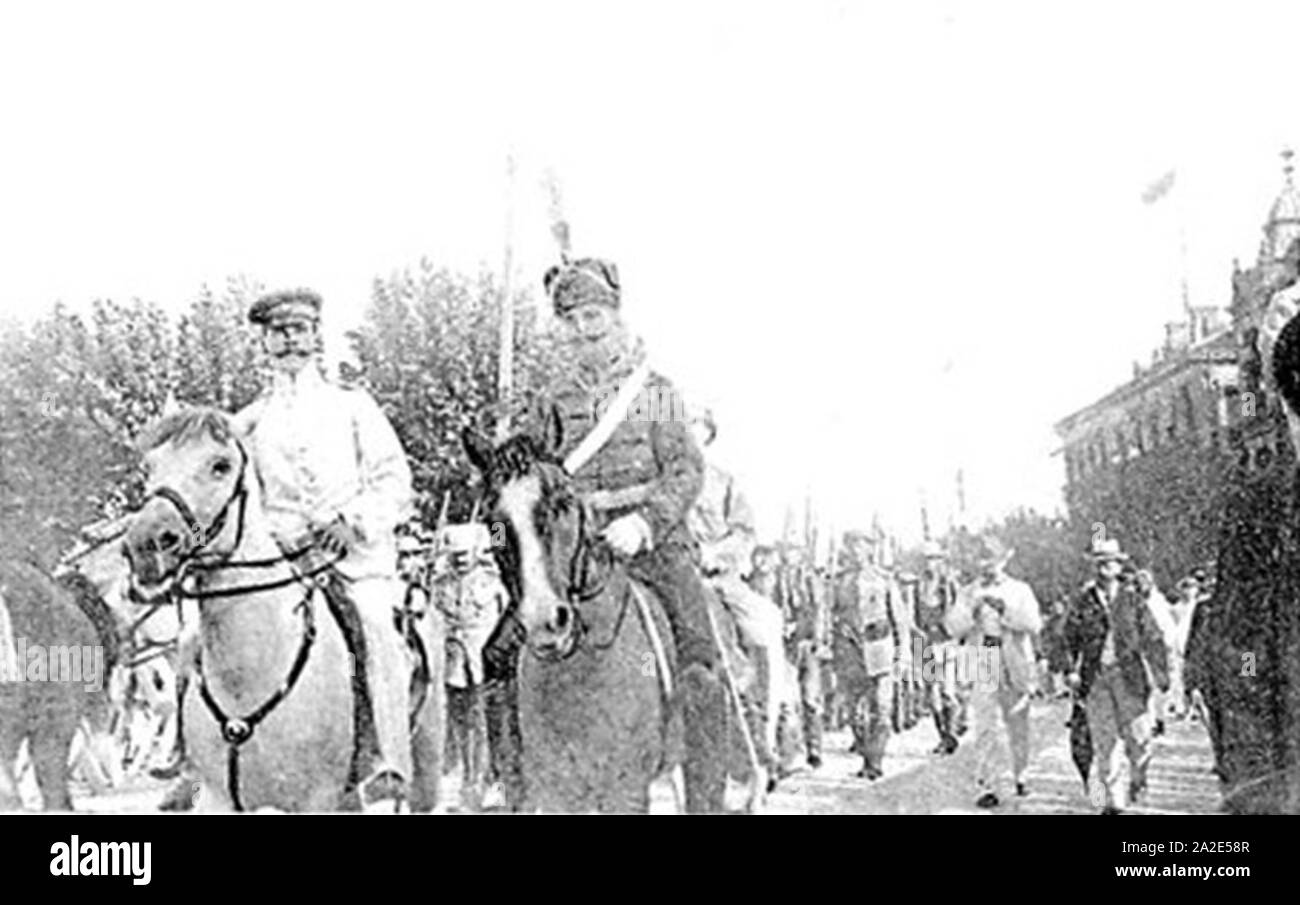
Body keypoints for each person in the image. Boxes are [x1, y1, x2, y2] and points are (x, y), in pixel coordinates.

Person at [482, 256, 730, 813]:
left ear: (616, 319)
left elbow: (686, 469)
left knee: (699, 663)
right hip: (574, 551)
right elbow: (529, 475)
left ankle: (709, 799)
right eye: (570, 319)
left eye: (592, 316)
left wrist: (643, 524)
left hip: (653, 549)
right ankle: (511, 783)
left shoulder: (656, 390)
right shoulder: (551, 401)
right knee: (498, 652)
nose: (582, 330)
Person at [232, 287, 415, 809]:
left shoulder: (353, 406)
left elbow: (393, 481)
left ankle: (385, 757)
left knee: (376, 628)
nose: (289, 340)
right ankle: (194, 755)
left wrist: (351, 524)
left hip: (355, 562)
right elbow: (241, 501)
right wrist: (274, 538)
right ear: (264, 343)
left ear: (316, 337)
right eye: (278, 332)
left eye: (299, 330)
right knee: (198, 634)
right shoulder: (249, 421)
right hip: (280, 565)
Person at [686, 406, 786, 788]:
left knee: (762, 632)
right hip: (671, 577)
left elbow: (745, 533)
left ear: (708, 433)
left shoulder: (723, 482)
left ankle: (762, 737)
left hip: (717, 580)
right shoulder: (661, 479)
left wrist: (714, 554)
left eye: (696, 426)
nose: (688, 432)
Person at [1062, 538, 1169, 814]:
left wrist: (1161, 675)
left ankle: (1139, 776)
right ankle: (1113, 802)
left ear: (1119, 565)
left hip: (1129, 677)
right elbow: (1067, 639)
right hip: (1096, 679)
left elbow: (1154, 637)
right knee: (1105, 741)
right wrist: (1070, 670)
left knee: (1138, 739)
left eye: (1110, 562)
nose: (1104, 567)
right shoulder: (1083, 601)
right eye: (1099, 563)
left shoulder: (1132, 600)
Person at [946, 534, 1042, 808]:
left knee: (1017, 722)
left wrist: (1005, 610)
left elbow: (1034, 624)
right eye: (982, 559)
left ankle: (1021, 775)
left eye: (992, 558)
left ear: (1004, 559)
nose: (987, 564)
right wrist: (970, 613)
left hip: (1012, 657)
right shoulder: (967, 591)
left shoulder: (1019, 590)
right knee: (985, 724)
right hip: (984, 657)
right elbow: (953, 627)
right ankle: (988, 784)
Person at [430, 522, 508, 810]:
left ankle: (485, 783)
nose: (460, 560)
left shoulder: (492, 581)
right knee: (461, 725)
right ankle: (468, 780)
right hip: (454, 665)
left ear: (477, 551)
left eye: (465, 554)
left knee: (484, 725)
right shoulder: (440, 583)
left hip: (484, 666)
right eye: (455, 555)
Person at [832, 530, 906, 780]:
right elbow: (830, 613)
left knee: (882, 709)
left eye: (861, 546)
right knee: (855, 713)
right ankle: (865, 755)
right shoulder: (840, 581)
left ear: (870, 549)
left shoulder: (884, 580)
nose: (856, 552)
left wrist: (902, 653)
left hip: (879, 650)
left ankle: (875, 761)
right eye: (852, 546)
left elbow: (900, 621)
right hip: (851, 652)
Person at [771, 542, 830, 771]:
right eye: (786, 551)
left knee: (810, 699)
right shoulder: (776, 579)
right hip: (785, 646)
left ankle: (815, 749)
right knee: (787, 700)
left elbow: (819, 610)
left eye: (793, 551)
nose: (789, 555)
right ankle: (789, 751)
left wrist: (819, 639)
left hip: (807, 645)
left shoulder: (809, 579)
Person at [914, 541, 962, 754]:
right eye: (927, 559)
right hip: (926, 643)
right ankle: (943, 735)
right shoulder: (918, 586)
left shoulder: (948, 585)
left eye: (934, 559)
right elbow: (912, 614)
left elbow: (960, 613)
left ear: (941, 561)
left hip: (946, 642)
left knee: (948, 691)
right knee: (932, 694)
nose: (930, 563)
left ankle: (951, 734)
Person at [1133, 568, 1177, 735]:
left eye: (1145, 582)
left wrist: (1168, 645)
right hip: (1141, 648)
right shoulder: (1134, 601)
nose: (1142, 586)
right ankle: (1150, 721)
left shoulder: (1157, 602)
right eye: (1139, 583)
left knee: (1161, 686)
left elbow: (1167, 625)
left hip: (1158, 648)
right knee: (1146, 685)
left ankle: (1159, 718)